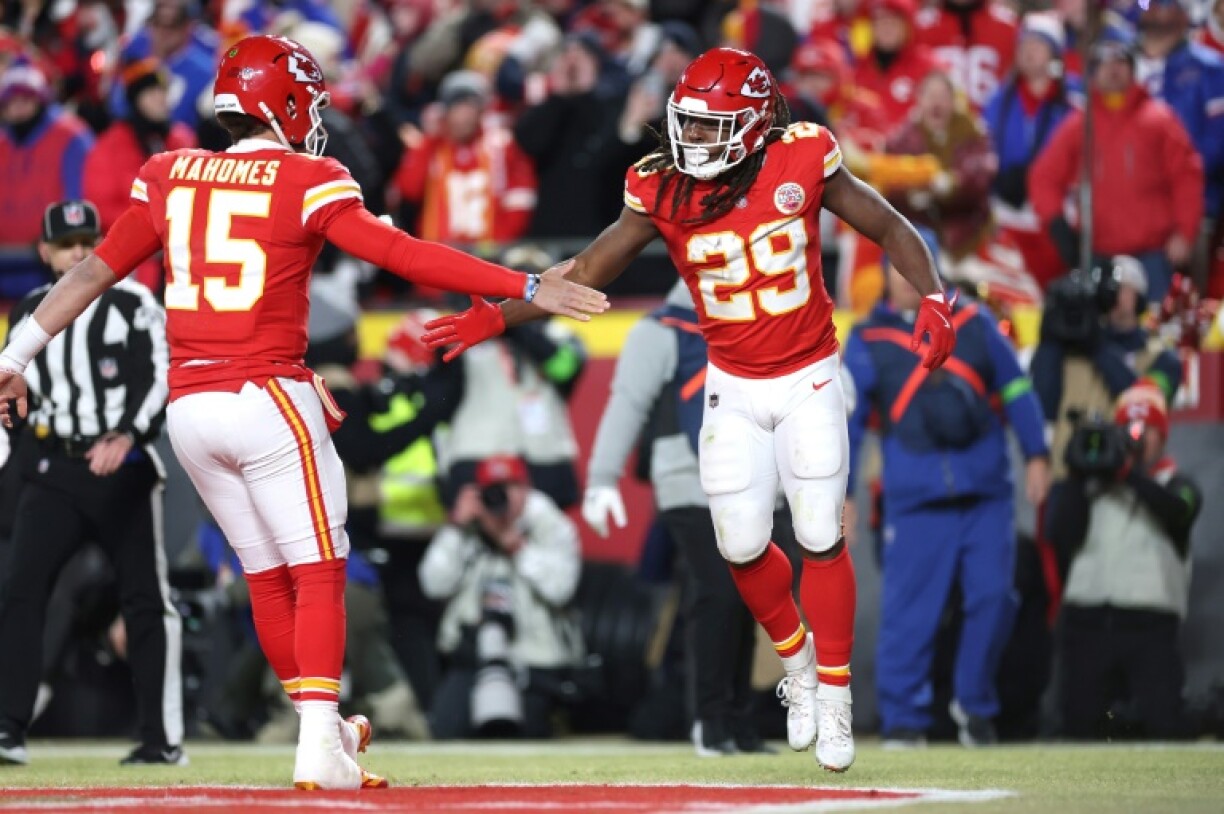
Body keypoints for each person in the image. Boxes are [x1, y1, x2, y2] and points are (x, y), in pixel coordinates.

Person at [0, 34, 606, 791]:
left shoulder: (169, 175)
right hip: (265, 395)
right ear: (282, 104)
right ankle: (321, 740)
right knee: (319, 569)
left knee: (264, 575)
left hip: (191, 409)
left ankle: (332, 733)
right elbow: (405, 255)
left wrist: (14, 355)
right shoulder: (306, 177)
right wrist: (521, 285)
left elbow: (92, 271)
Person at [422, 46, 958, 773]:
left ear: (754, 125)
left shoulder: (800, 157)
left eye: (712, 128)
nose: (693, 142)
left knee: (815, 531)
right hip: (731, 382)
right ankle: (796, 662)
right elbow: (584, 273)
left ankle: (833, 696)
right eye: (688, 125)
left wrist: (931, 291)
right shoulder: (660, 188)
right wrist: (501, 314)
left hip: (808, 373)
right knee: (737, 546)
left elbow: (891, 225)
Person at [842, 236, 1050, 748]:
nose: (903, 275)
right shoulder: (867, 339)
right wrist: (841, 495)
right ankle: (903, 722)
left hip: (986, 495)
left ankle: (973, 705)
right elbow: (846, 425)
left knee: (994, 600)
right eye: (896, 265)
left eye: (914, 265)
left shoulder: (975, 323)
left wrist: (1038, 453)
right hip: (914, 502)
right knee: (908, 617)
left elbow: (1017, 390)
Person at [0, 200, 179, 767]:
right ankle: (8, 728)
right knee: (21, 591)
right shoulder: (30, 310)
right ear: (46, 252)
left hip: (121, 469)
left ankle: (161, 739)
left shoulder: (134, 302)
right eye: (69, 243)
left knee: (145, 600)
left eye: (89, 241)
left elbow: (161, 376)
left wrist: (127, 436)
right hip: (55, 467)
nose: (80, 252)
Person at [584, 280, 774, 756]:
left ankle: (738, 724)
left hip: (750, 480)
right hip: (687, 478)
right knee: (717, 593)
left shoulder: (754, 322)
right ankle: (710, 722)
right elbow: (627, 402)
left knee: (750, 598)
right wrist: (602, 478)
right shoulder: (661, 329)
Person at [1046, 383, 1201, 739]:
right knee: (1076, 731)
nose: (1136, 438)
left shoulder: (1177, 483)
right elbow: (1059, 535)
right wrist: (1074, 474)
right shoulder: (1090, 488)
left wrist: (1126, 474)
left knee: (1165, 729)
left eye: (1145, 429)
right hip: (1088, 625)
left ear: (1162, 436)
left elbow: (1178, 511)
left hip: (1150, 630)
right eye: (1128, 429)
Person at [419, 454, 584, 739]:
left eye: (510, 487)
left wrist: (516, 546)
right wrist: (457, 527)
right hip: (472, 656)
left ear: (527, 490)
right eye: (493, 489)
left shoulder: (549, 525)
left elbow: (561, 589)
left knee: (528, 734)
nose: (502, 497)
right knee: (446, 729)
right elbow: (433, 584)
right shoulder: (468, 528)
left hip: (533, 659)